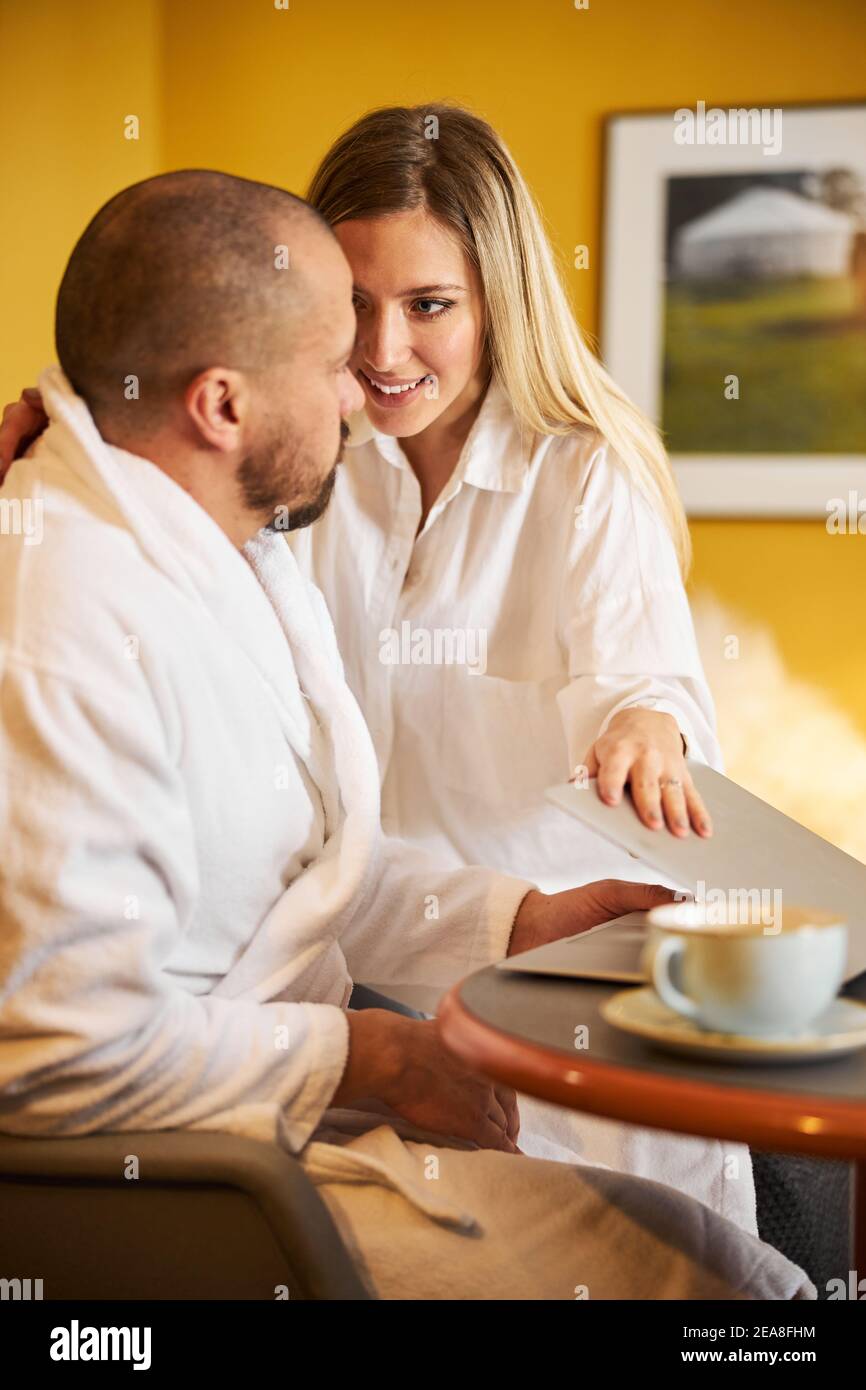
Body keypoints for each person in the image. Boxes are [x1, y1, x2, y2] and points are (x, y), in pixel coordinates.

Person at [0, 170, 814, 1299]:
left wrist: (520, 916)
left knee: (735, 1259)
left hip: (308, 1098)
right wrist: (374, 1055)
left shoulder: (219, 536)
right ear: (222, 405)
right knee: (744, 1293)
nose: (363, 388)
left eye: (421, 308)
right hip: (212, 1179)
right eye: (336, 356)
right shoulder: (66, 615)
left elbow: (305, 869)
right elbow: (58, 1055)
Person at [290, 104, 753, 1227]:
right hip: (351, 1010)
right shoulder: (296, 466)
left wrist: (646, 725)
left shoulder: (584, 477)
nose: (382, 349)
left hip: (555, 1002)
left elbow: (641, 677)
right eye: (351, 304)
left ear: (500, 298)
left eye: (428, 305)